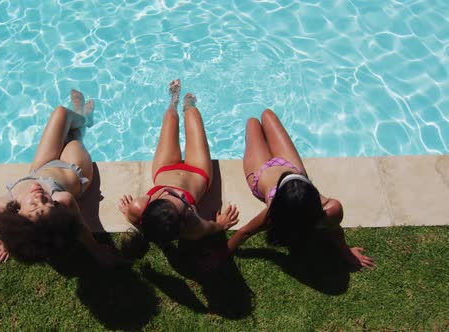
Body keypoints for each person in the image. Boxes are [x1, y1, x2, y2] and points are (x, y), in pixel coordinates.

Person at [219, 109, 375, 270]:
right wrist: (346, 252)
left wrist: (219, 258)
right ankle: (291, 170)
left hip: (261, 173)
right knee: (267, 115)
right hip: (291, 166)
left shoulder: (273, 214)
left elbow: (244, 232)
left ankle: (260, 134)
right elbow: (335, 229)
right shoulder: (331, 208)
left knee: (253, 122)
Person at [0, 89, 118, 266]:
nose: (40, 197)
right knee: (74, 136)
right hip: (74, 169)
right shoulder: (62, 199)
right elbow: (80, 226)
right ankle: (86, 118)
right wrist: (95, 249)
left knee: (61, 113)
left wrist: (6, 240)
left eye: (33, 205)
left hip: (41, 169)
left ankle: (80, 114)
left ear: (17, 217)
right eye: (47, 203)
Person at [118, 79, 239, 246]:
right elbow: (210, 228)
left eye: (170, 198)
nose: (181, 194)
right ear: (182, 222)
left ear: (148, 209)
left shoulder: (138, 206)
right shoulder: (192, 226)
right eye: (181, 203)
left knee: (169, 119)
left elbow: (134, 219)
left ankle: (173, 100)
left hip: (164, 169)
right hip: (198, 172)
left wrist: (129, 213)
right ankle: (188, 104)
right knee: (193, 115)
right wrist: (220, 224)